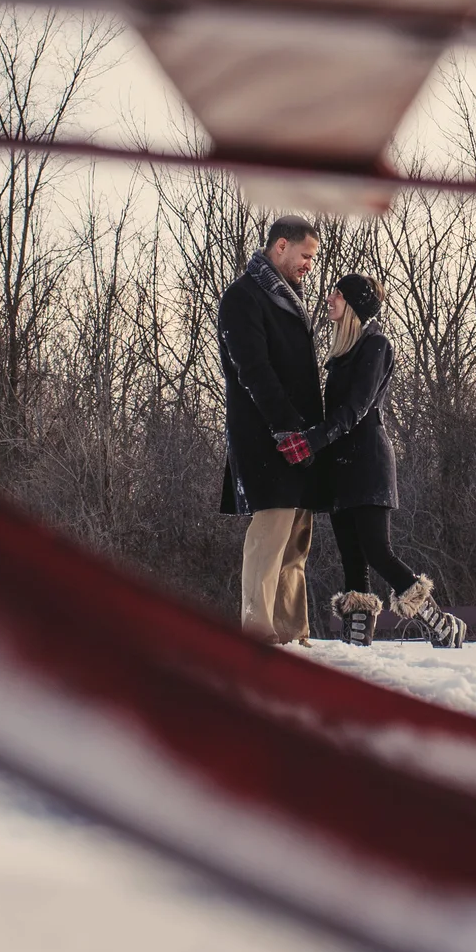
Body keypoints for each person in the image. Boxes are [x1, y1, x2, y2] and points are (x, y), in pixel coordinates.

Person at [307, 273, 465, 650]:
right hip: (340, 466)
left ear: (355, 305)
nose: (329, 299)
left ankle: (441, 625)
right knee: (350, 555)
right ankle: (358, 641)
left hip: (368, 463)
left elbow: (357, 407)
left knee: (377, 550)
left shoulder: (376, 345)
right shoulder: (341, 353)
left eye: (338, 294)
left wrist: (314, 439)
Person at [217, 215, 324, 644]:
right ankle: (257, 629)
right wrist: (285, 426)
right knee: (271, 530)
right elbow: (253, 370)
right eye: (305, 255)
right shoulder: (243, 297)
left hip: (299, 437)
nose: (309, 265)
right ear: (281, 246)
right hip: (266, 434)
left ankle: (291, 631)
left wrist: (309, 432)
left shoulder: (287, 296)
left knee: (297, 536)